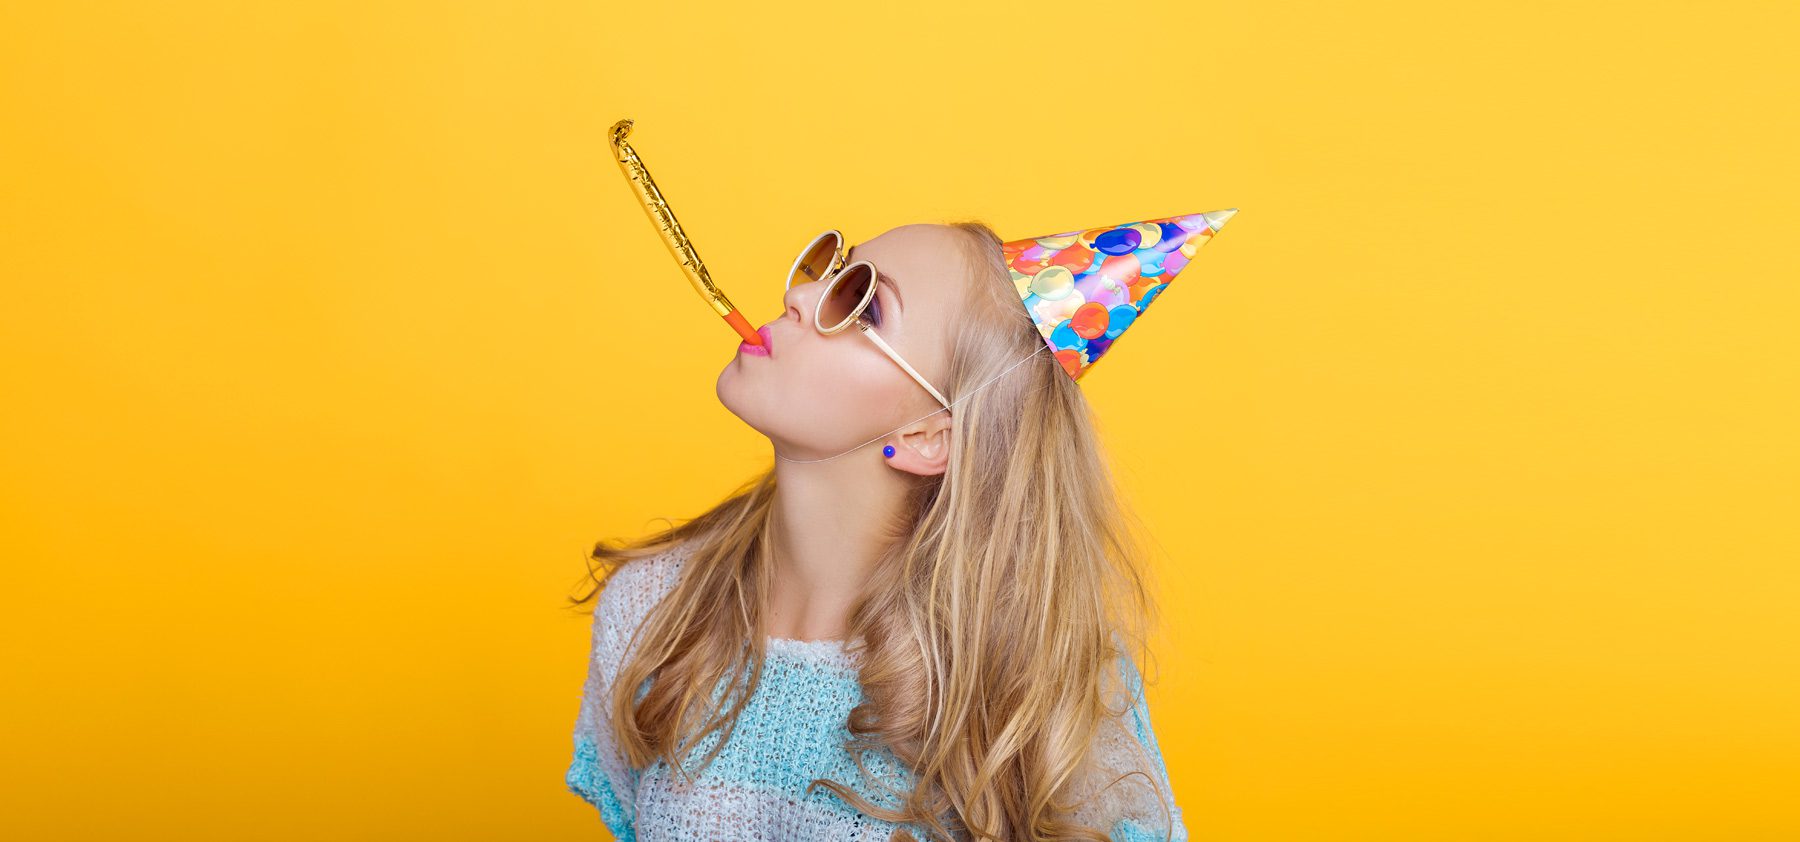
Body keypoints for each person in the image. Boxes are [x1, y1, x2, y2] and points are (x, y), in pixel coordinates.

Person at [566, 211, 1235, 841]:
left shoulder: (1041, 681)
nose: (801, 297)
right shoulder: (652, 611)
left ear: (925, 435)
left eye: (864, 304)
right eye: (833, 272)